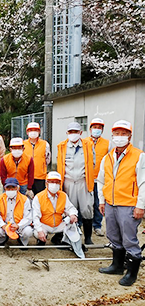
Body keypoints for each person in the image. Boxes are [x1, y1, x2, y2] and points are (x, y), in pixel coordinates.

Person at [97, 120, 145, 286]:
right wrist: (102, 201)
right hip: (110, 204)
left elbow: (143, 182)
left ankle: (131, 273)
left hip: (128, 204)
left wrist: (141, 205)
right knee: (113, 236)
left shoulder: (139, 156)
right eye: (117, 133)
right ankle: (117, 266)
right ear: (112, 135)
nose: (119, 137)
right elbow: (101, 181)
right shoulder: (108, 157)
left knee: (129, 239)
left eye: (123, 134)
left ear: (130, 136)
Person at [57, 122, 95, 244]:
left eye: (76, 132)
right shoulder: (61, 146)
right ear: (67, 133)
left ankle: (88, 237)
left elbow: (92, 162)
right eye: (71, 132)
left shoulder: (88, 145)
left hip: (83, 181)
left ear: (80, 133)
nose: (73, 134)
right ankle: (71, 237)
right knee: (70, 209)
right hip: (68, 182)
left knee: (87, 208)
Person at [32, 171, 78, 246]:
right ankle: (41, 240)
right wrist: (40, 231)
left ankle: (58, 237)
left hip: (59, 223)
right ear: (46, 183)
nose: (54, 184)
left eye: (57, 182)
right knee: (37, 232)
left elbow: (70, 208)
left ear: (60, 184)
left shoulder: (63, 195)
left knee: (72, 223)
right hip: (45, 224)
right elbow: (35, 217)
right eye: (51, 182)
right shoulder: (38, 197)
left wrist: (73, 214)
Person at [86, 118, 111, 237]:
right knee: (85, 203)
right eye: (94, 127)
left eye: (99, 127)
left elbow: (111, 161)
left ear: (102, 130)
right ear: (90, 129)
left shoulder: (107, 143)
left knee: (98, 203)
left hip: (100, 179)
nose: (97, 129)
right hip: (86, 179)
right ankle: (81, 224)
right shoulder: (84, 141)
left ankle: (97, 225)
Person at [0, 178, 33, 247]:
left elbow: (28, 217)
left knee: (28, 231)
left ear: (18, 188)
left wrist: (18, 226)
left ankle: (22, 241)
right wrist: (3, 225)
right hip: (5, 225)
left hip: (19, 225)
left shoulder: (24, 199)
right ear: (5, 188)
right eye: (8, 188)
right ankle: (2, 240)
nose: (11, 190)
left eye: (13, 187)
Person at [23, 122, 51, 195]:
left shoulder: (45, 144)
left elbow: (47, 159)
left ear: (39, 132)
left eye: (35, 130)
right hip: (26, 177)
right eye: (31, 130)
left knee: (40, 198)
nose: (33, 132)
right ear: (27, 132)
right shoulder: (23, 144)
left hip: (40, 177)